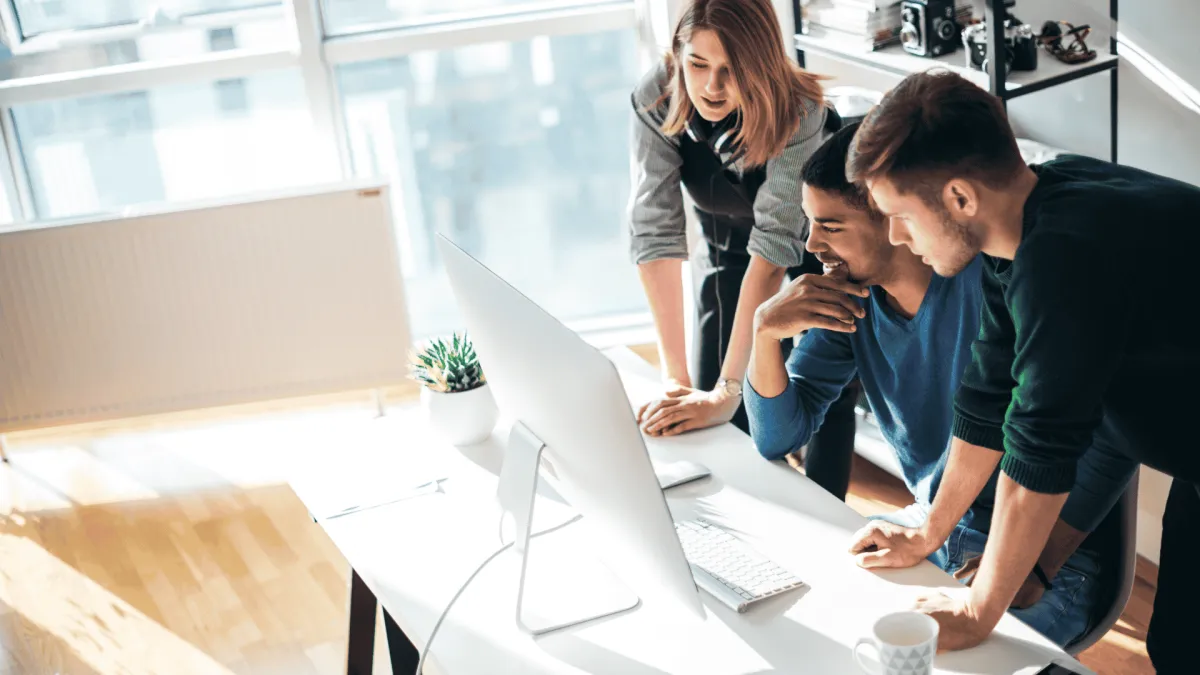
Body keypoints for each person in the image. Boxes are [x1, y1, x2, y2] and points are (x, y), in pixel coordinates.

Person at [843, 69, 1200, 670]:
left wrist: (979, 609)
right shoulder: (1025, 229)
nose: (897, 238)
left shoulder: (1065, 259)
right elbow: (989, 401)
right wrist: (932, 533)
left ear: (959, 197)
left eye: (899, 215)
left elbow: (1039, 451)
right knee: (1181, 649)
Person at [745, 122, 1134, 648]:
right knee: (803, 617)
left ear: (892, 218)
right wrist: (764, 333)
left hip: (1043, 559)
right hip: (933, 527)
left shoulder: (999, 284)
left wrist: (1029, 570)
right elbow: (775, 437)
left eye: (830, 226)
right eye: (810, 224)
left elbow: (1108, 435)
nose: (812, 245)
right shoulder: (848, 303)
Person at [627, 0, 859, 499]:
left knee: (813, 402)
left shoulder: (801, 112)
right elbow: (655, 232)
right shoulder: (656, 96)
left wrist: (729, 392)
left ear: (762, 62)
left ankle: (825, 518)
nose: (711, 86)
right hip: (725, 253)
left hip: (808, 264)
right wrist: (677, 381)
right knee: (712, 420)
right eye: (698, 65)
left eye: (732, 70)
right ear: (677, 56)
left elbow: (774, 248)